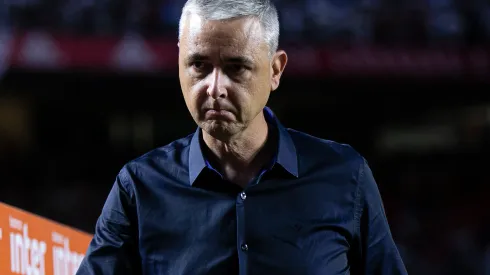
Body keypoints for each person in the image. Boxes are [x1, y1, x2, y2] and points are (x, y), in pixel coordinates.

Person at [76, 0, 408, 274]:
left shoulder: (346, 176)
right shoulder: (137, 186)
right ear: (179, 61)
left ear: (275, 70)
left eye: (236, 68)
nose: (215, 88)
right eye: (199, 65)